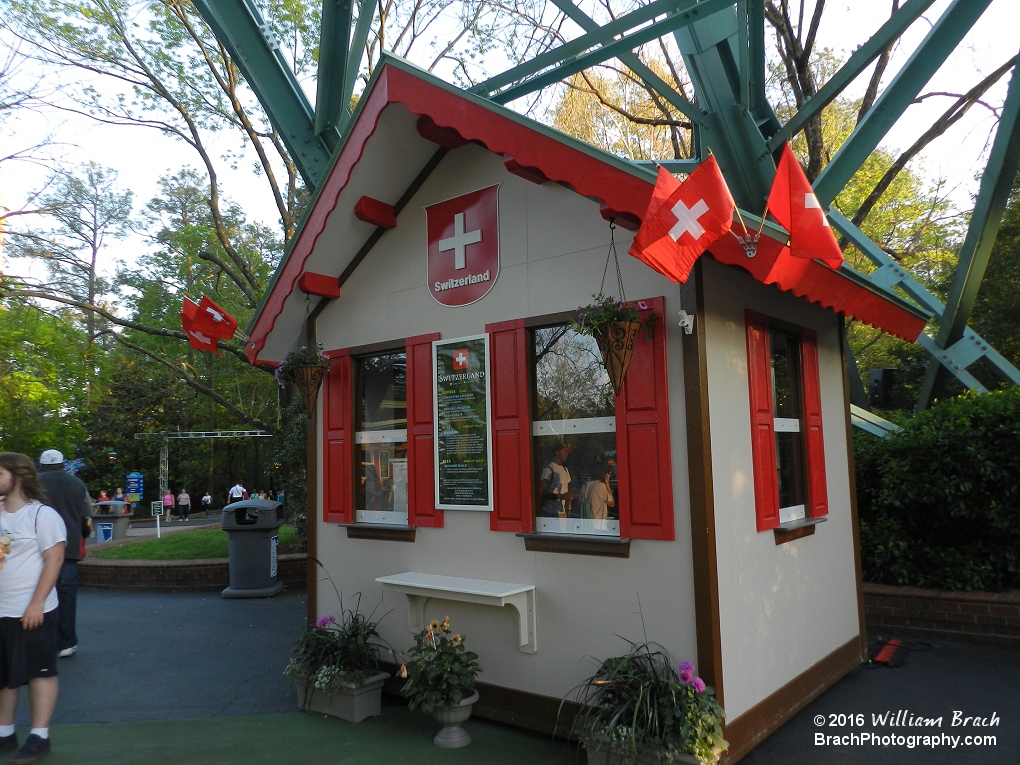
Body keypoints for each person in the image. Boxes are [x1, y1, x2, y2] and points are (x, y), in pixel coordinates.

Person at [0, 452, 67, 764]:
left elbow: (54, 559)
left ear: (20, 476)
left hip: (32, 609)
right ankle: (5, 732)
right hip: (1, 609)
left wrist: (37, 603)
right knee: (3, 675)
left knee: (40, 672)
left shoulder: (43, 516)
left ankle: (40, 737)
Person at [36, 450, 91, 660]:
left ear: (41, 465)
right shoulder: (78, 484)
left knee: (40, 593)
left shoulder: (34, 483)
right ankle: (66, 642)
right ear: (61, 464)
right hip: (68, 548)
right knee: (66, 595)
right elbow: (86, 514)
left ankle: (42, 640)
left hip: (39, 547)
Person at [537, 442, 577, 517]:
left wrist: (571, 495)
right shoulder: (549, 470)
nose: (566, 454)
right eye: (564, 451)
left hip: (562, 511)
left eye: (567, 452)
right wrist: (561, 496)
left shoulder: (565, 470)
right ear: (557, 453)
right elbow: (541, 493)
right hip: (550, 512)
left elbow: (566, 489)